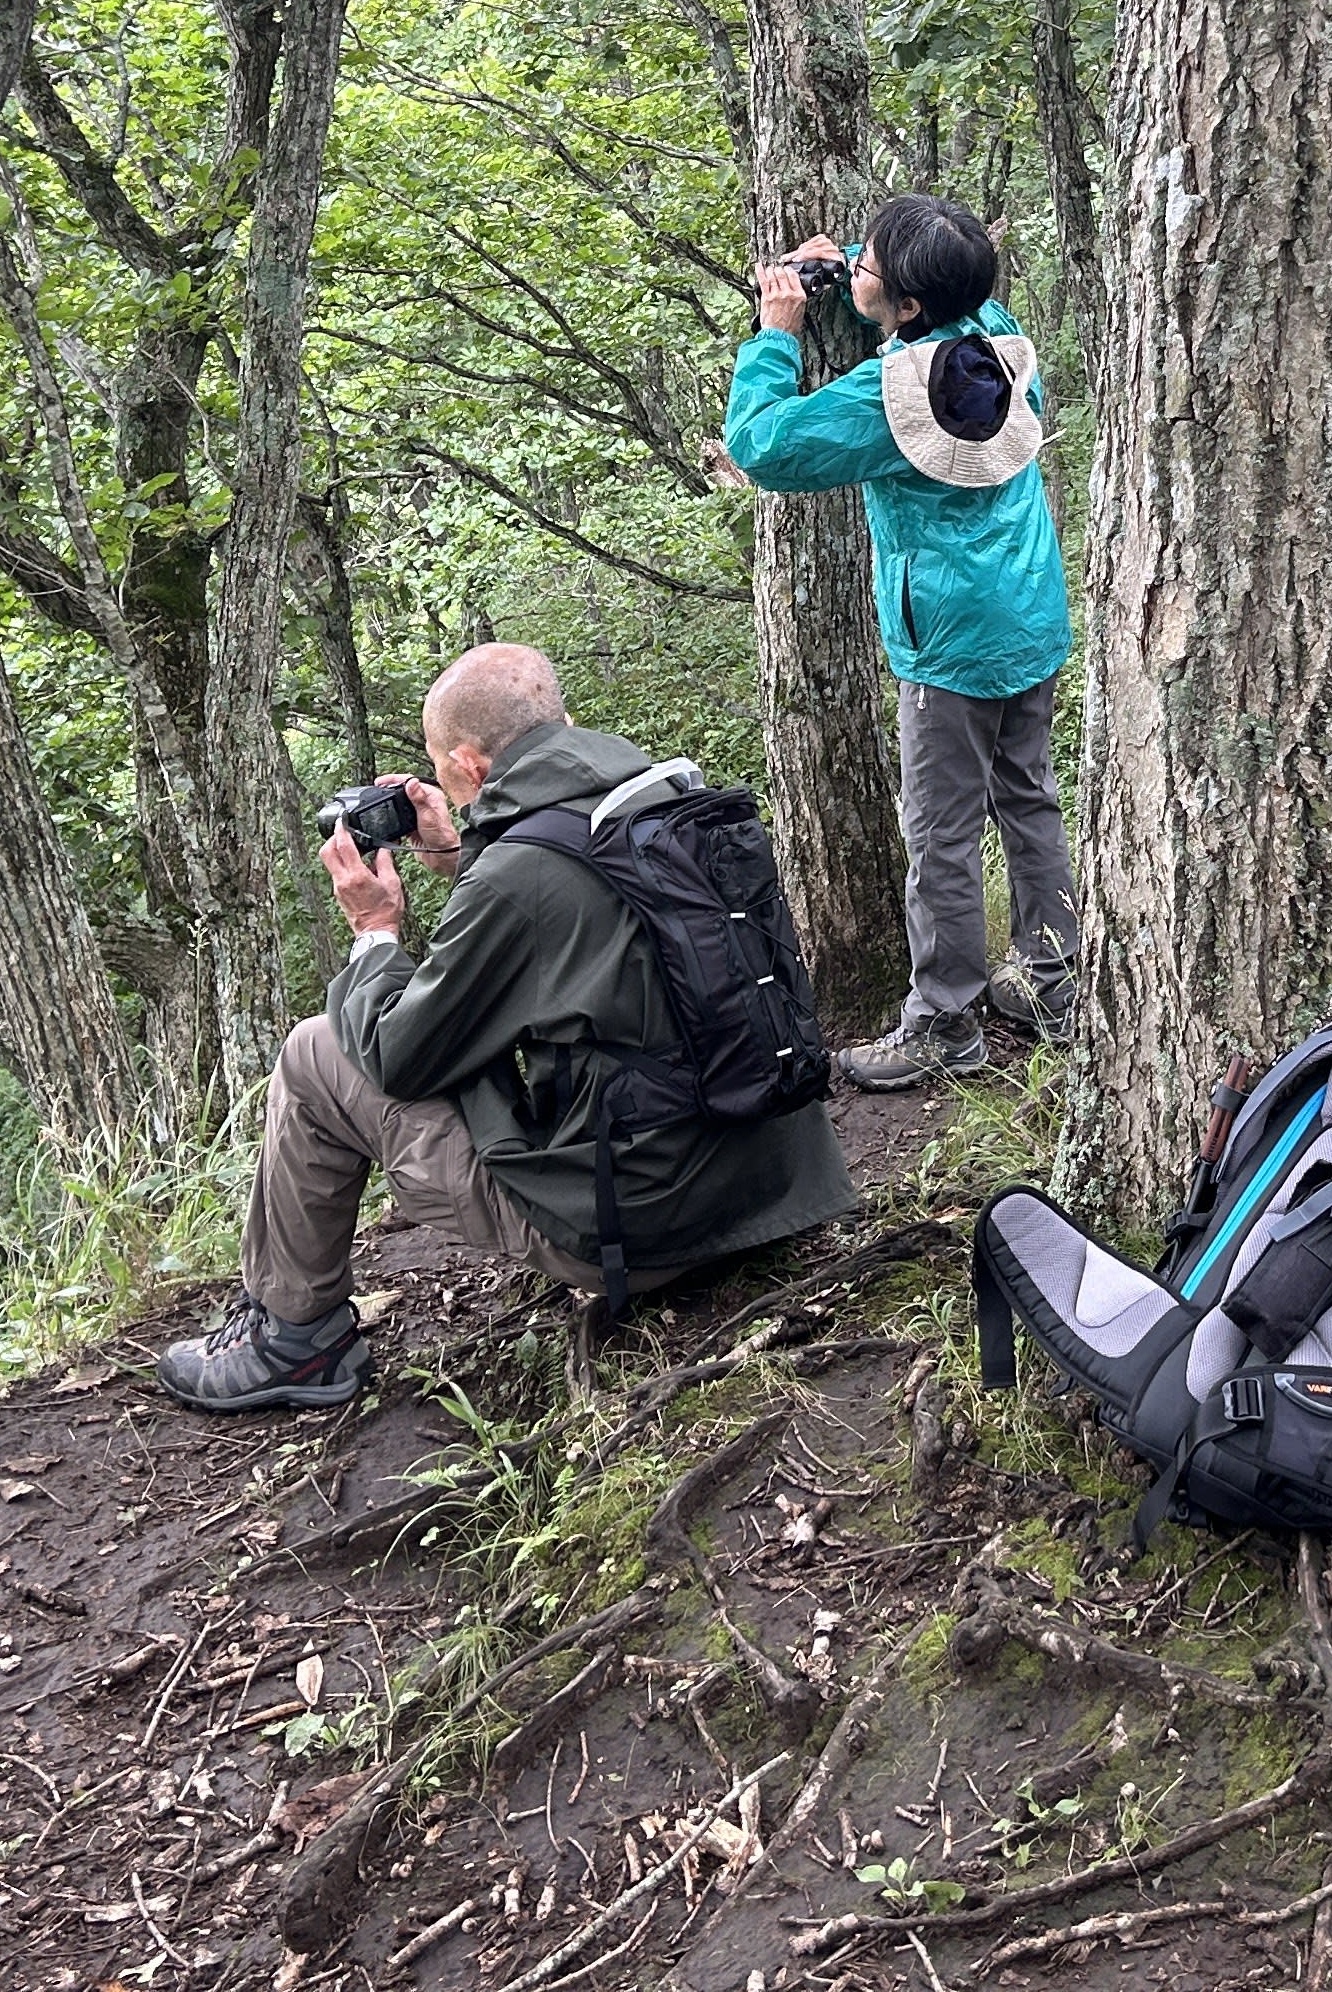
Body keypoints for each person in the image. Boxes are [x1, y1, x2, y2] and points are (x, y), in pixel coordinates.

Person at [157, 643, 854, 1411]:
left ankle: (292, 1338)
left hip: (654, 1227)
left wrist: (374, 931)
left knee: (316, 1050)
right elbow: (579, 920)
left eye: (447, 774)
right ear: (562, 719)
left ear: (470, 765)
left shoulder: (516, 875)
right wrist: (461, 855)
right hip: (782, 1184)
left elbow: (400, 1056)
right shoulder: (659, 797)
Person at [725, 194, 1077, 1092]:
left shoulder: (893, 400)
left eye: (873, 263)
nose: (862, 266)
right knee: (1028, 798)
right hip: (1026, 613)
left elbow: (763, 445)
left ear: (910, 306)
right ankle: (1054, 978)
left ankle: (943, 1020)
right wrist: (847, 266)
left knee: (942, 834)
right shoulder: (991, 328)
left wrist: (777, 333)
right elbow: (920, 281)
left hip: (950, 645)